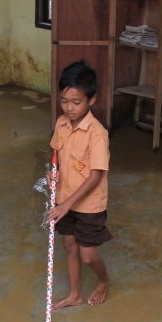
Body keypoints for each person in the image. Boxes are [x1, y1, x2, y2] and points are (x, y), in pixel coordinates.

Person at [46, 60, 112, 308]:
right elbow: (56, 157)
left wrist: (65, 206)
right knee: (69, 245)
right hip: (64, 198)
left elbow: (95, 176)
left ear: (91, 100)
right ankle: (75, 294)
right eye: (64, 101)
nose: (69, 108)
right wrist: (51, 175)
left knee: (87, 255)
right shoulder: (61, 123)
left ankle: (104, 280)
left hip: (89, 205)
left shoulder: (97, 134)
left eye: (76, 102)